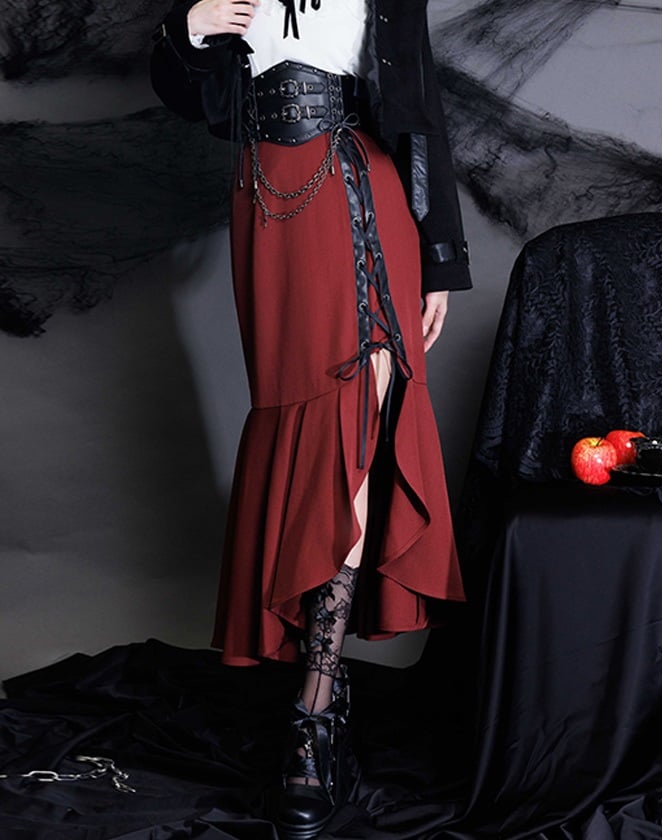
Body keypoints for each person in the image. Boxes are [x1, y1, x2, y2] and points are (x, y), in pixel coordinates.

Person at [151, 1, 471, 837]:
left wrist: (440, 257)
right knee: (300, 423)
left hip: (361, 196)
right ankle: (320, 692)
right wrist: (190, 26)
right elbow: (195, 103)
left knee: (355, 429)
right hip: (270, 206)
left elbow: (419, 106)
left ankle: (315, 712)